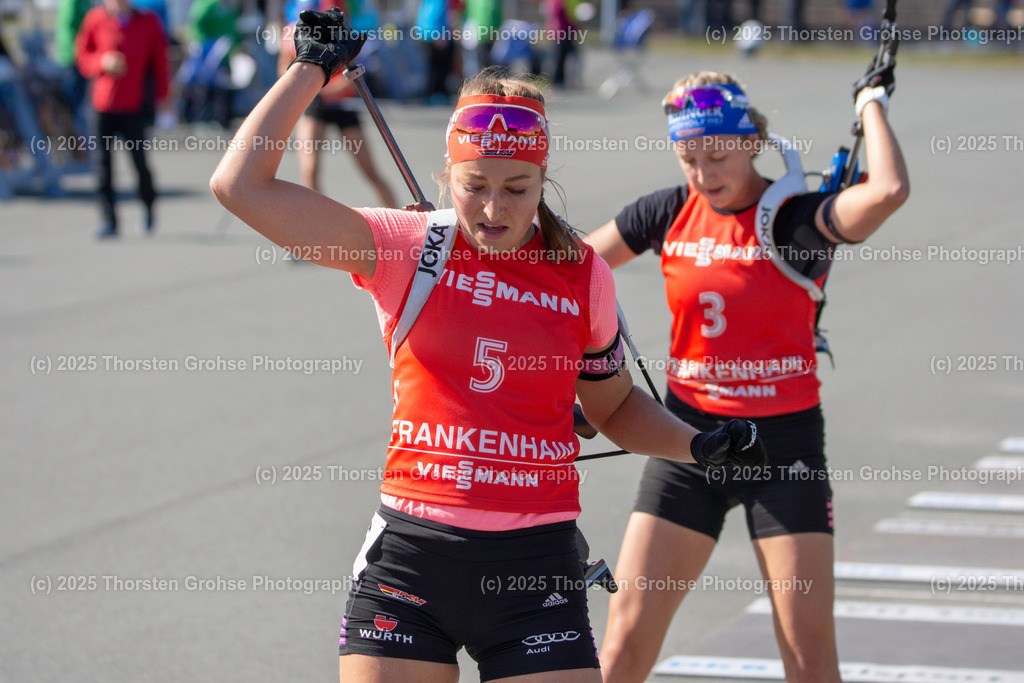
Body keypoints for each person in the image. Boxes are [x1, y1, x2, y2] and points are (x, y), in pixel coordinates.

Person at [210, 9, 766, 682]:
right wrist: (310, 69)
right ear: (449, 177)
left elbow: (614, 409)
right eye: (475, 187)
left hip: (535, 570)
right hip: (411, 562)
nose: (495, 210)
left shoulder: (580, 270)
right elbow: (240, 188)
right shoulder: (408, 246)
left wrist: (698, 444)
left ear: (543, 180)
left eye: (517, 189)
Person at [586, 66, 908, 682]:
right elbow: (571, 271)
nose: (704, 175)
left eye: (717, 156)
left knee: (808, 654)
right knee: (623, 642)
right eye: (689, 157)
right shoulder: (669, 211)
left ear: (753, 142)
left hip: (783, 450)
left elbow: (889, 191)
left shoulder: (795, 219)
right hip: (686, 442)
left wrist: (871, 103)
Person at [276, 4, 397, 205]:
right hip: (314, 106)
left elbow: (349, 77)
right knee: (309, 173)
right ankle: (317, 227)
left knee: (371, 172)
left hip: (340, 105)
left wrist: (317, 89)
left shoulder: (337, 29)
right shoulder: (290, 31)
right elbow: (283, 69)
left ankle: (402, 219)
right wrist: (304, 88)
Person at [75, 0, 169, 238]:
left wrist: (163, 97)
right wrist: (102, 62)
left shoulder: (148, 21)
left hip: (134, 105)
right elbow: (83, 56)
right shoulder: (95, 18)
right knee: (102, 166)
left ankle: (148, 209)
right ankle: (109, 221)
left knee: (140, 163)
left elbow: (160, 62)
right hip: (102, 106)